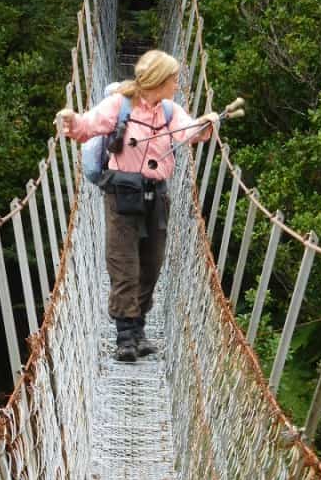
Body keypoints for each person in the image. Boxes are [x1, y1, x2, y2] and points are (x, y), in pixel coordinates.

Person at [57, 49, 218, 362]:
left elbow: (191, 134)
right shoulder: (119, 105)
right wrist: (70, 119)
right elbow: (86, 127)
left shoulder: (170, 112)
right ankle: (125, 336)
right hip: (121, 195)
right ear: (159, 80)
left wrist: (206, 123)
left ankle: (139, 327)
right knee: (123, 264)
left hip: (157, 195)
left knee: (152, 264)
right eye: (174, 78)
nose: (177, 84)